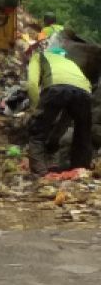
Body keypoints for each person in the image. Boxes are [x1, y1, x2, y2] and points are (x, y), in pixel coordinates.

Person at [26, 24, 94, 175]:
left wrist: (35, 108)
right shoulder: (70, 62)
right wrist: (55, 135)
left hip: (56, 88)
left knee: (37, 133)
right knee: (83, 134)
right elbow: (66, 113)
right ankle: (80, 170)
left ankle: (40, 173)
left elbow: (32, 84)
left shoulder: (38, 56)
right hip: (84, 92)